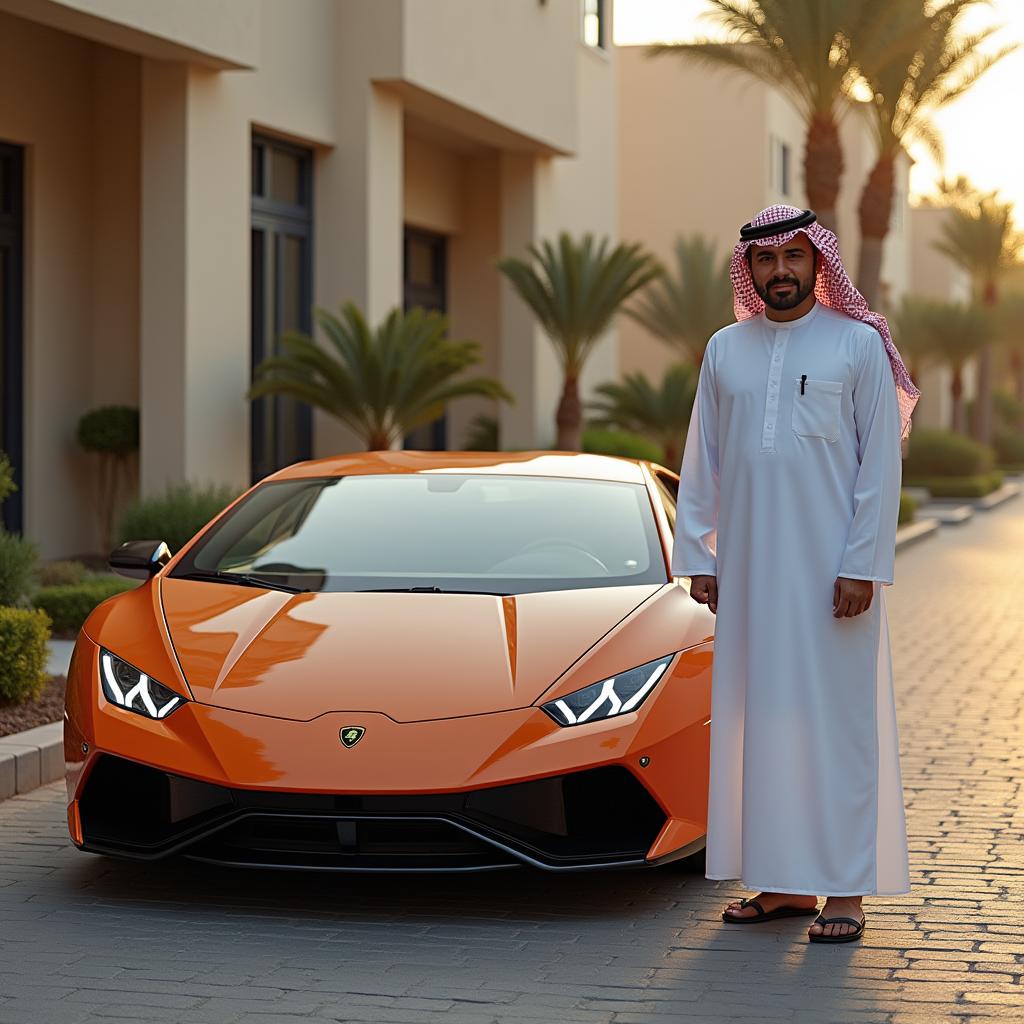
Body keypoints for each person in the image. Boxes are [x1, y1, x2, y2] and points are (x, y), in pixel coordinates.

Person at [672, 204, 920, 944]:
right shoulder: (726, 349)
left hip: (833, 579)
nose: (780, 272)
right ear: (748, 270)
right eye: (766, 261)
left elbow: (880, 464)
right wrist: (699, 555)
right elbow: (703, 458)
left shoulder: (857, 346)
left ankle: (845, 890)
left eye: (794, 259)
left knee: (838, 727)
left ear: (819, 263)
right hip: (748, 573)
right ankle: (782, 887)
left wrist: (861, 564)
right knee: (766, 724)